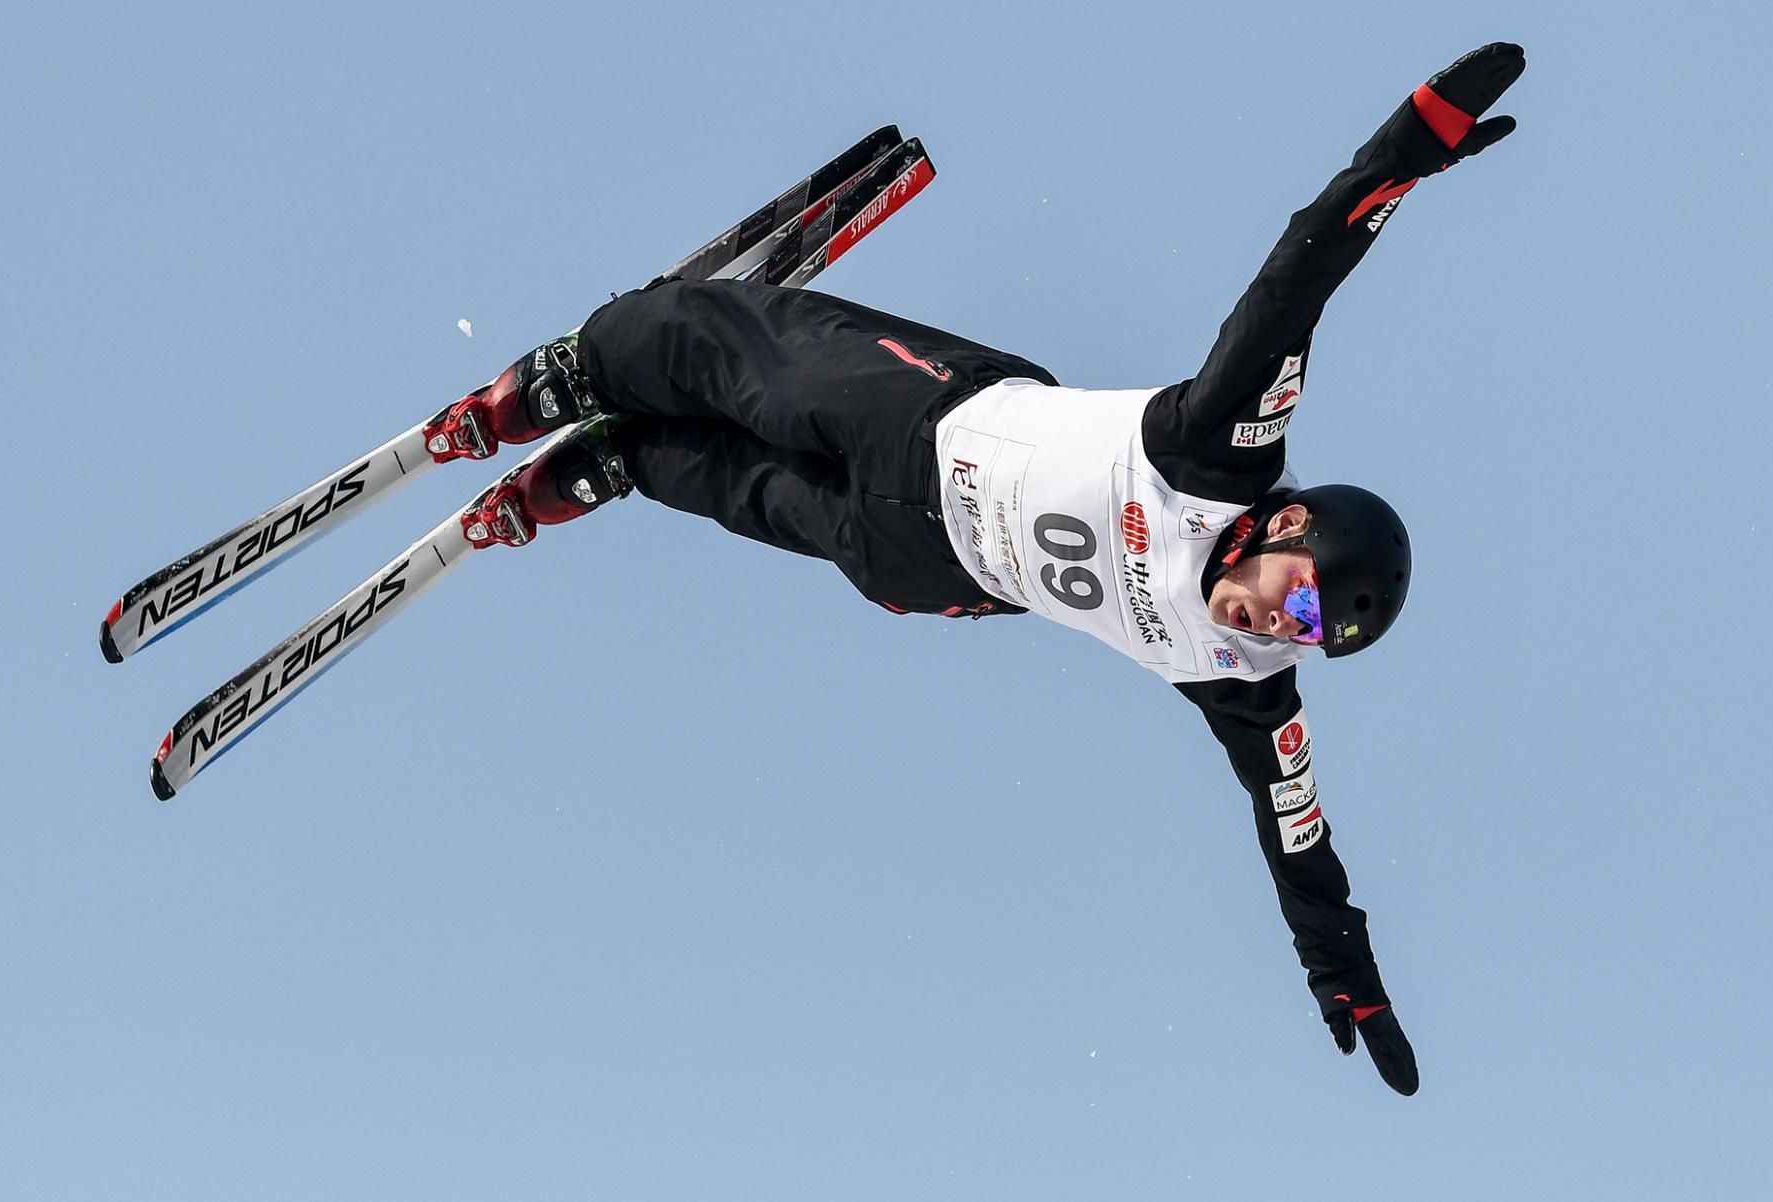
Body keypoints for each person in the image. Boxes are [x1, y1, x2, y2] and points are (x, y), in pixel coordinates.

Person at [467, 43, 1526, 1096]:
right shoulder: (1221, 454)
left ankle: (623, 459)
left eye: (1299, 632)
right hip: (929, 422)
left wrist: (1345, 972)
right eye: (1297, 596)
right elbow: (1298, 278)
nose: (1274, 622)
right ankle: (587, 370)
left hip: (925, 567)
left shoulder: (1244, 679)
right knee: (753, 361)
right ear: (1286, 523)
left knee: (748, 490)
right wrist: (1406, 150)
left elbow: (1299, 837)